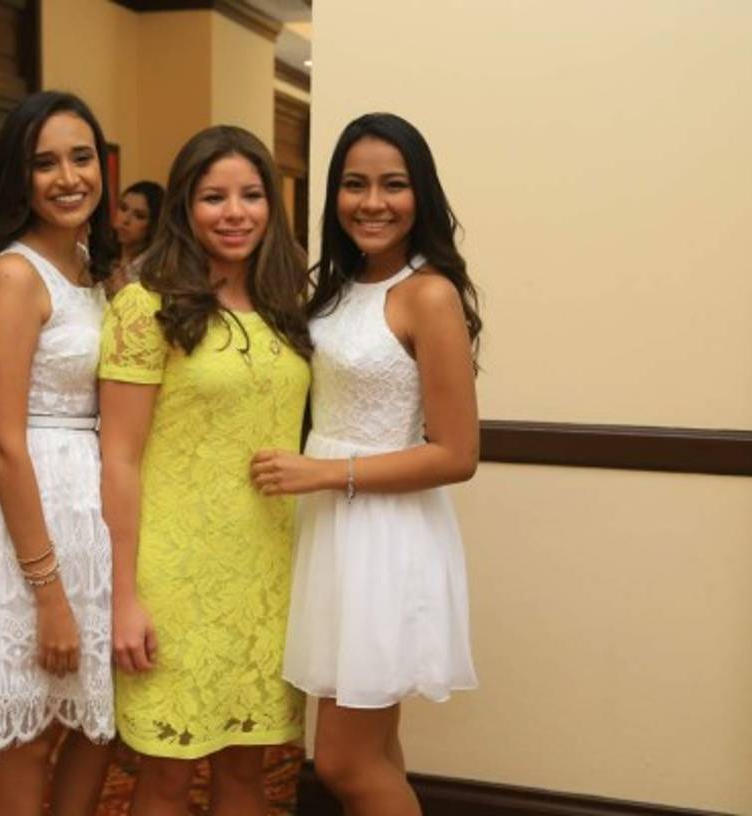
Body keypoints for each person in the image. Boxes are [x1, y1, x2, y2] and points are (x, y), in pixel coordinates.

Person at [251, 112, 483, 816]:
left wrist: (324, 474)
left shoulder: (429, 293)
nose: (372, 202)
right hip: (332, 535)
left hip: (385, 540)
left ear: (422, 197)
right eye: (355, 184)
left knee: (345, 763)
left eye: (393, 185)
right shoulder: (334, 284)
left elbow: (457, 453)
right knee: (376, 751)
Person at [99, 125, 311, 814]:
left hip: (267, 571)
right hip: (173, 577)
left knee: (247, 771)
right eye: (214, 196)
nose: (235, 211)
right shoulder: (146, 305)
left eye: (251, 195)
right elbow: (120, 459)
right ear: (185, 208)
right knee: (165, 774)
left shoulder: (289, 308)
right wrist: (123, 594)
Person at [0, 90, 117, 816]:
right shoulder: (13, 274)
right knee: (31, 734)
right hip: (25, 514)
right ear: (19, 177)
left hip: (89, 504)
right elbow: (4, 441)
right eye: (44, 164)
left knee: (98, 718)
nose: (69, 177)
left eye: (81, 157)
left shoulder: (92, 266)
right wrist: (50, 592)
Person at [108, 180, 164, 294]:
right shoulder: (102, 255)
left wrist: (124, 292)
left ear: (153, 225)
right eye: (123, 208)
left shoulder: (157, 271)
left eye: (139, 216)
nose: (125, 220)